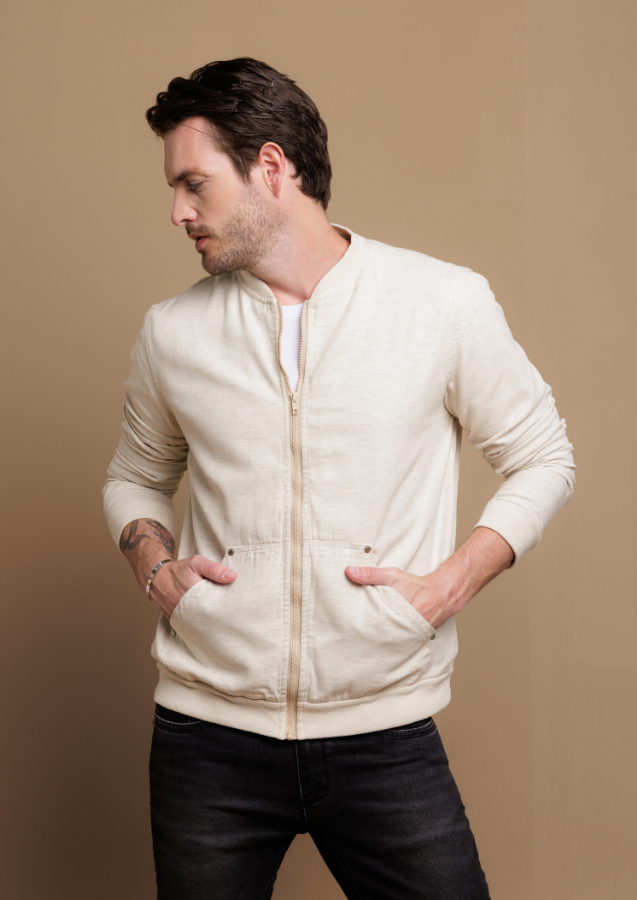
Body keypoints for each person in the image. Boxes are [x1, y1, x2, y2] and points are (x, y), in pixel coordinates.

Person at [103, 57, 575, 900]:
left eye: (194, 184)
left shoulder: (442, 304)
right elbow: (134, 479)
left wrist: (446, 588)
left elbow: (544, 456)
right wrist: (156, 569)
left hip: (384, 731)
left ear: (271, 167)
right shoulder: (172, 332)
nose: (178, 212)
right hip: (207, 739)